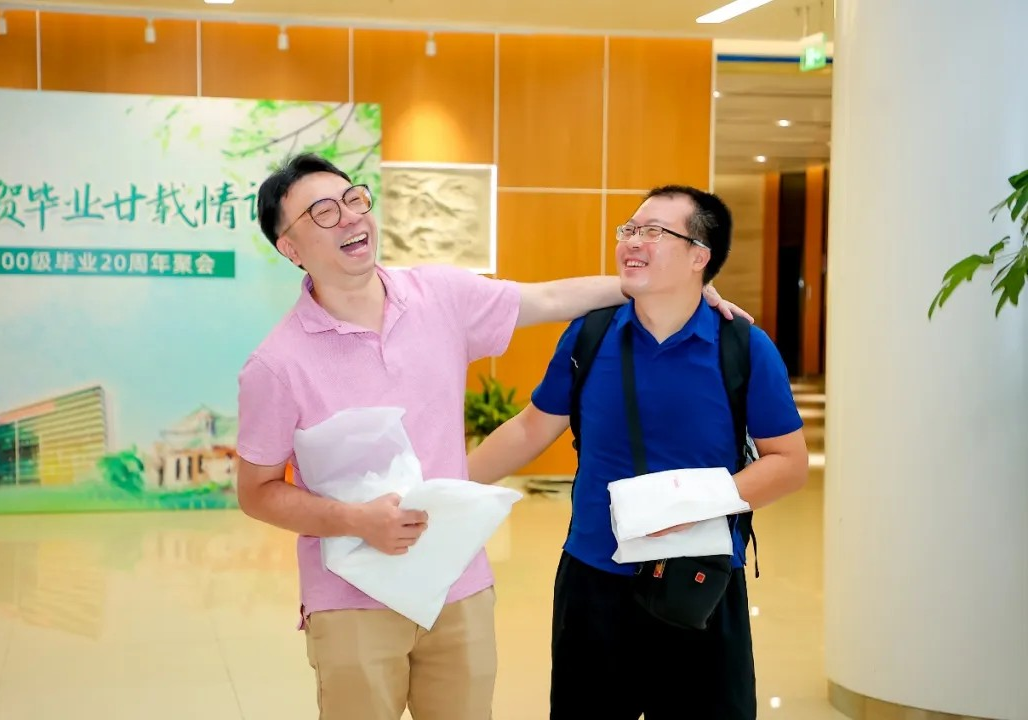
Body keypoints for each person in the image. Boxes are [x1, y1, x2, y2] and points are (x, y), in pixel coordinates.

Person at [235, 154, 750, 720]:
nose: (350, 217)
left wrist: (672, 289)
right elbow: (256, 491)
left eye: (353, 199)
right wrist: (355, 520)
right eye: (323, 213)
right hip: (350, 597)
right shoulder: (276, 364)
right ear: (290, 247)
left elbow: (548, 299)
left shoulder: (438, 295)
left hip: (459, 584)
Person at [467, 184, 808, 719]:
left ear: (700, 256)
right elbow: (532, 428)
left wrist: (694, 503)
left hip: (701, 582)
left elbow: (789, 464)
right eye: (629, 229)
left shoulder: (742, 346)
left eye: (653, 231)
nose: (632, 241)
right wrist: (447, 484)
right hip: (594, 578)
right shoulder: (590, 335)